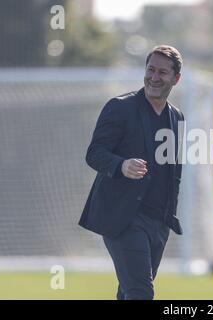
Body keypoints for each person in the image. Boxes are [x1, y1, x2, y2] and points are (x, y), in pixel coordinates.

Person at [79, 45, 185, 300]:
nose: (154, 77)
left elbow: (174, 173)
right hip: (124, 219)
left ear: (176, 79)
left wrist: (168, 218)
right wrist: (121, 165)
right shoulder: (119, 107)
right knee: (141, 293)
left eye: (162, 72)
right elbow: (94, 153)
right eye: (150, 70)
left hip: (158, 224)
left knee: (128, 293)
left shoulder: (177, 117)